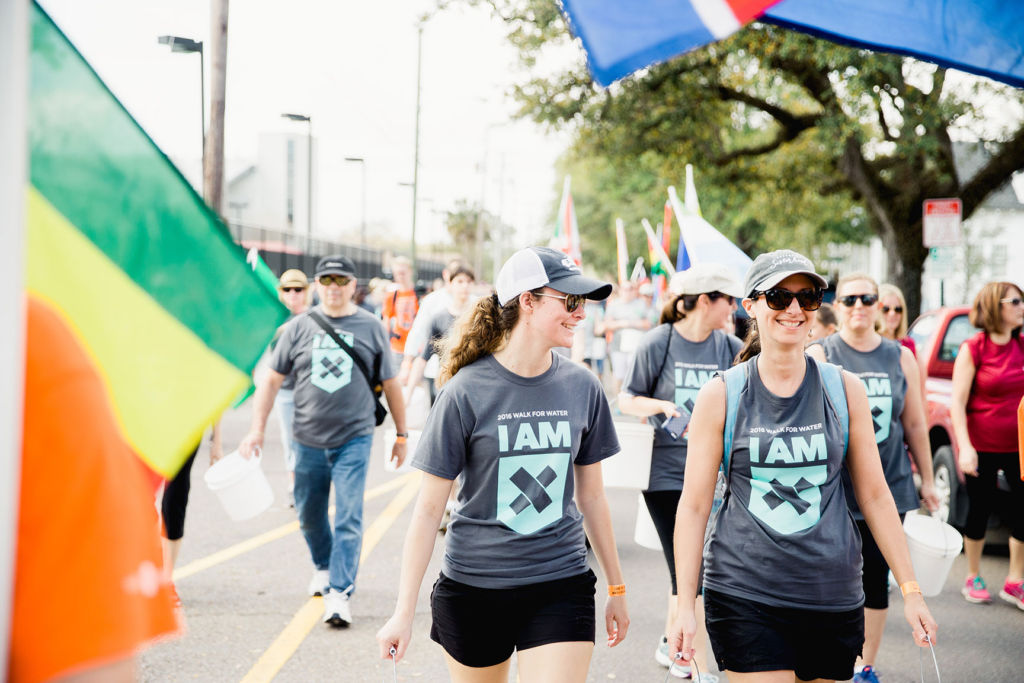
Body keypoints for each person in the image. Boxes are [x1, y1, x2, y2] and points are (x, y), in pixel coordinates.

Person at [668, 249, 937, 683]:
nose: (794, 309)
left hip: (832, 594)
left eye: (807, 297)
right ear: (750, 305)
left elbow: (873, 494)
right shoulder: (722, 395)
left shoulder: (844, 389)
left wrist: (912, 591)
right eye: (778, 296)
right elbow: (695, 506)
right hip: (745, 592)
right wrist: (684, 605)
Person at [377, 246, 629, 682]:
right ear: (527, 301)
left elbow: (592, 496)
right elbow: (427, 512)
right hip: (475, 588)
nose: (580, 314)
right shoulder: (464, 392)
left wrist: (617, 588)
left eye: (583, 303)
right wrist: (403, 613)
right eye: (569, 301)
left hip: (560, 582)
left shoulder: (583, 387)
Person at [239, 255, 408, 627]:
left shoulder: (370, 326)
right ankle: (323, 565)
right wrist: (256, 429)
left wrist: (401, 433)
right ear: (318, 286)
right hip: (307, 439)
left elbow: (392, 383)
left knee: (349, 515)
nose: (333, 287)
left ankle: (340, 592)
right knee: (309, 514)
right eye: (326, 280)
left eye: (340, 281)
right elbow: (270, 380)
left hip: (355, 438)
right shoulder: (298, 328)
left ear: (352, 285)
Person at [807, 273, 939, 683]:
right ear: (838, 306)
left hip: (890, 485)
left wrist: (929, 481)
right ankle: (822, 658)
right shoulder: (821, 353)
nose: (859, 306)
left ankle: (863, 665)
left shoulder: (899, 356)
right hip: (834, 490)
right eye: (849, 300)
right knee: (828, 578)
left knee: (876, 582)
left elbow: (915, 424)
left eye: (869, 299)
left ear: (882, 306)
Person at [618, 263, 743, 681]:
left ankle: (672, 640)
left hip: (715, 477)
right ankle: (696, 664)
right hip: (667, 475)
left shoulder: (728, 346)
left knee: (695, 568)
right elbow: (627, 399)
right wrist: (660, 407)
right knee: (688, 568)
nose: (734, 306)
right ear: (705, 301)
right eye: (727, 299)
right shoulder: (660, 341)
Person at [949, 281, 1024, 608]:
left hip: (1018, 446)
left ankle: (1015, 580)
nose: (1022, 307)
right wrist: (965, 447)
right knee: (980, 510)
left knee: (1022, 511)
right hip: (981, 445)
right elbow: (957, 403)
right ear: (997, 307)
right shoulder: (974, 348)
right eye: (1016, 301)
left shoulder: (1022, 346)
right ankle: (974, 575)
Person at [402, 263, 476, 406]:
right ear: (450, 284)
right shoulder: (439, 318)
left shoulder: (480, 317)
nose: (465, 286)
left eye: (469, 281)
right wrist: (408, 395)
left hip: (474, 389)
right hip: (446, 389)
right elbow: (423, 357)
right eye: (460, 281)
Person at [272, 268, 311, 501]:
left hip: (312, 391)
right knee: (290, 440)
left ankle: (309, 486)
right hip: (286, 390)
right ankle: (294, 486)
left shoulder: (315, 316)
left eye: (298, 289)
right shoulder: (275, 319)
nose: (293, 294)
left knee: (312, 440)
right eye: (288, 289)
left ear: (306, 292)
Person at [605, 281, 653, 393]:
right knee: (619, 375)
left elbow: (648, 323)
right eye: (625, 289)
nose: (628, 292)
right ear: (621, 291)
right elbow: (607, 325)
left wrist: (627, 323)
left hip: (637, 346)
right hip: (618, 346)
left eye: (631, 289)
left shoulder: (641, 304)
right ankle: (618, 403)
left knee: (636, 375)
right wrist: (624, 324)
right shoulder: (613, 305)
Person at [381, 255, 419, 363]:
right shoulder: (391, 295)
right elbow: (386, 321)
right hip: (397, 347)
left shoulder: (419, 294)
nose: (400, 276)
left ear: (410, 272)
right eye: (397, 273)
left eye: (403, 273)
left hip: (417, 347)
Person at [877, 284, 916, 357]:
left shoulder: (908, 344)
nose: (892, 313)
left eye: (898, 309)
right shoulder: (869, 344)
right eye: (886, 309)